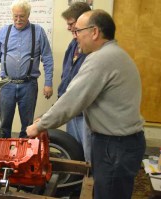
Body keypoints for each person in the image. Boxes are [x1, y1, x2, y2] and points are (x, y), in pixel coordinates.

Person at [27, 10, 146, 199]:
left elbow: (72, 99)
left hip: (115, 146)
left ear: (94, 32)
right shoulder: (114, 54)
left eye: (78, 31)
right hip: (120, 143)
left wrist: (39, 125)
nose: (75, 38)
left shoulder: (101, 59)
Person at [0, 0, 54, 138]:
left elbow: (47, 59)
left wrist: (48, 83)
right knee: (4, 124)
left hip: (28, 85)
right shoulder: (3, 32)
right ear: (12, 15)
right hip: (6, 85)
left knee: (27, 126)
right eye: (15, 16)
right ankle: (3, 155)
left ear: (28, 15)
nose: (18, 20)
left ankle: (24, 156)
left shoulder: (38, 32)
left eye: (22, 16)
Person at [58, 2, 91, 162]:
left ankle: (90, 184)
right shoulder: (73, 45)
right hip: (71, 110)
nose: (68, 28)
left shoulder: (92, 49)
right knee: (74, 151)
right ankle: (77, 184)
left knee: (88, 154)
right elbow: (67, 74)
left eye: (71, 24)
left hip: (85, 113)